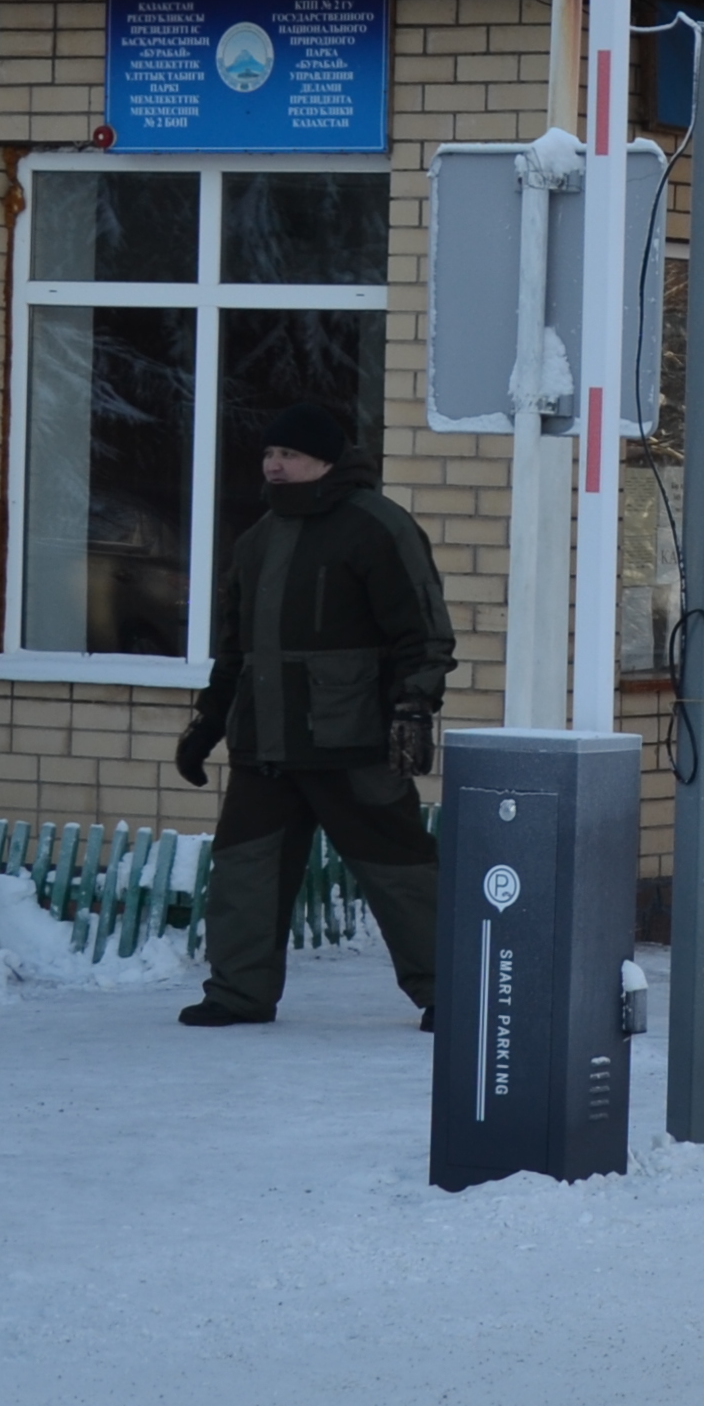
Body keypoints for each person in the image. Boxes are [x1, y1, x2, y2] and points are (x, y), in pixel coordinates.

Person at [172, 403, 448, 1029]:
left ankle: (449, 991)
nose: (274, 464)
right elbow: (234, 651)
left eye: (289, 454)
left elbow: (424, 633)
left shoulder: (377, 526)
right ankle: (238, 994)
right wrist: (206, 726)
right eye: (269, 454)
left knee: (399, 870)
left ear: (326, 460)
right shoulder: (259, 538)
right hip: (264, 745)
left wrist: (413, 707)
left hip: (352, 740)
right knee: (245, 870)